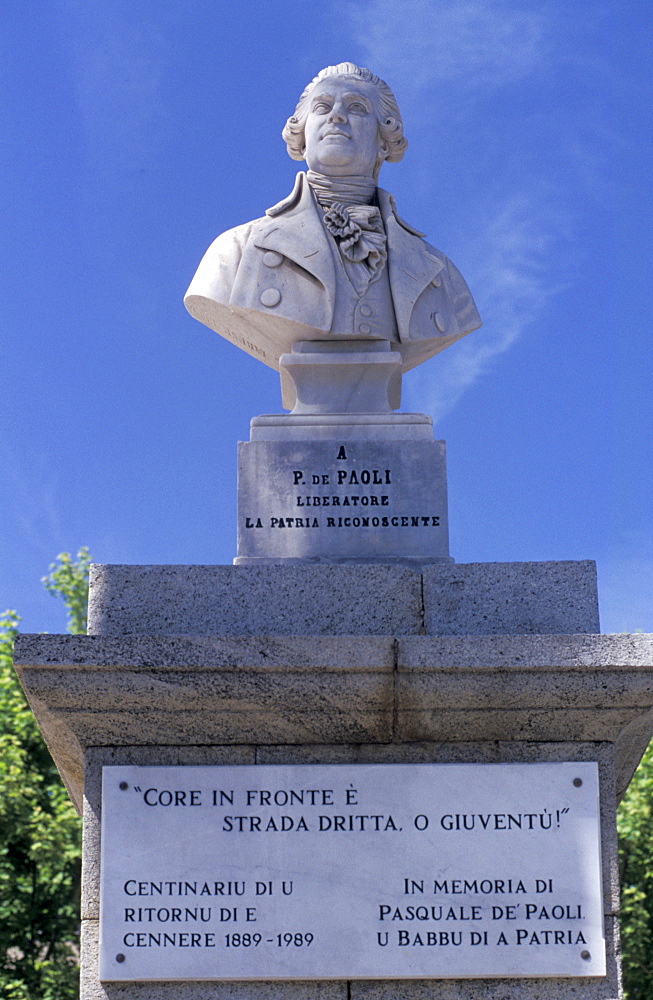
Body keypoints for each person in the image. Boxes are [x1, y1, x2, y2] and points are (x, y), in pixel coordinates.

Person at [184, 62, 481, 380]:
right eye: (323, 106)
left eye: (356, 107)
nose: (337, 116)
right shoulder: (235, 251)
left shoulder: (440, 273)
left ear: (384, 139)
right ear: (302, 134)